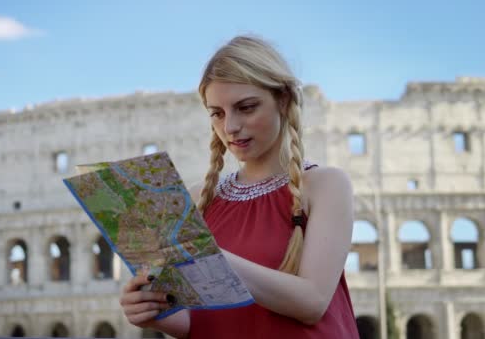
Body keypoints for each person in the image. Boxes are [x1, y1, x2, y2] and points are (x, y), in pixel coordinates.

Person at [119, 35, 359, 338]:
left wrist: (211, 258)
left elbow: (312, 301)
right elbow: (203, 323)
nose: (230, 127)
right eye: (217, 113)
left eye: (245, 108)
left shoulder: (325, 184)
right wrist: (153, 312)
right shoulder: (197, 198)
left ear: (283, 100)